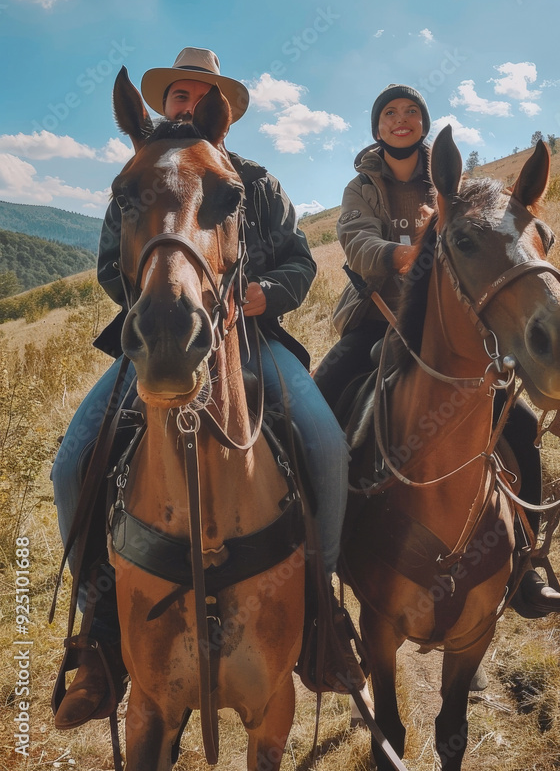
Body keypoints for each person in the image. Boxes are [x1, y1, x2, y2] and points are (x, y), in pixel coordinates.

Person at [51, 47, 363, 730]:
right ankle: (100, 636)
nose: (186, 104)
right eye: (177, 95)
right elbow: (112, 262)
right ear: (164, 103)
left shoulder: (254, 181)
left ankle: (322, 612)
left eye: (198, 95)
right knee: (72, 464)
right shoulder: (138, 174)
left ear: (218, 108)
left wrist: (261, 296)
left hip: (251, 340)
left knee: (326, 443)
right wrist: (155, 300)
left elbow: (300, 262)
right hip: (160, 337)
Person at [315, 82, 560, 618]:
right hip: (375, 320)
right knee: (318, 409)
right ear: (377, 128)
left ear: (423, 125)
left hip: (446, 328)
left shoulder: (456, 187)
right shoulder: (362, 188)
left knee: (518, 426)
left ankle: (525, 567)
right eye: (389, 114)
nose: (400, 121)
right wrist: (404, 255)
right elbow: (355, 244)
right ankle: (317, 568)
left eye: (410, 113)